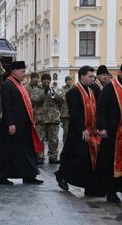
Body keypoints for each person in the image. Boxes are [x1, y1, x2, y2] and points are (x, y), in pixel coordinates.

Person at [0, 61, 44, 185]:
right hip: (13, 125)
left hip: (24, 126)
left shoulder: (19, 85)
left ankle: (29, 175)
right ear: (14, 71)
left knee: (26, 151)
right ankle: (0, 176)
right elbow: (7, 106)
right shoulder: (8, 85)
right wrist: (11, 123)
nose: (24, 74)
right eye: (22, 71)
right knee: (7, 150)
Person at [55, 65, 103, 196]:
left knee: (90, 159)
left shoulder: (93, 90)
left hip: (92, 131)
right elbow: (75, 114)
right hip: (78, 131)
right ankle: (62, 175)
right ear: (82, 76)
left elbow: (96, 110)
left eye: (93, 76)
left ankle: (91, 187)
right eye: (90, 76)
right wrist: (83, 129)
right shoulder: (73, 92)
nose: (93, 79)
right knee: (79, 157)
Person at [95, 65, 122, 203]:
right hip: (112, 132)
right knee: (110, 162)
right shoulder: (110, 87)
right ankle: (111, 191)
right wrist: (102, 127)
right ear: (120, 72)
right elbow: (101, 108)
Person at [31, 74, 63, 164]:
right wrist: (44, 93)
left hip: (53, 119)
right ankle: (39, 157)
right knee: (40, 139)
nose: (46, 81)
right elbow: (34, 100)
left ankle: (53, 157)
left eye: (48, 79)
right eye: (44, 79)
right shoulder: (36, 90)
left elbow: (62, 100)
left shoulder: (55, 89)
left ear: (50, 80)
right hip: (41, 119)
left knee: (54, 140)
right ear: (41, 80)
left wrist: (54, 93)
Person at [60, 76, 74, 144]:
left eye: (70, 80)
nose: (69, 81)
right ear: (65, 81)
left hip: (74, 114)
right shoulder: (62, 89)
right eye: (68, 80)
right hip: (65, 114)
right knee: (66, 131)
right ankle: (65, 144)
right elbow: (62, 98)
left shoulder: (75, 88)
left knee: (73, 131)